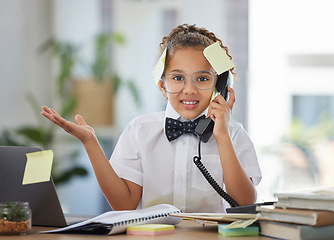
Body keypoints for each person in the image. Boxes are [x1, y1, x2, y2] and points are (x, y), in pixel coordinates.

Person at [41, 24, 262, 213]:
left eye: (203, 78)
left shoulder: (233, 133)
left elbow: (244, 203)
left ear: (220, 86)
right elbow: (124, 205)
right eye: (177, 78)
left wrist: (221, 135)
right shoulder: (139, 130)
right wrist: (90, 142)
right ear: (162, 85)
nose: (189, 89)